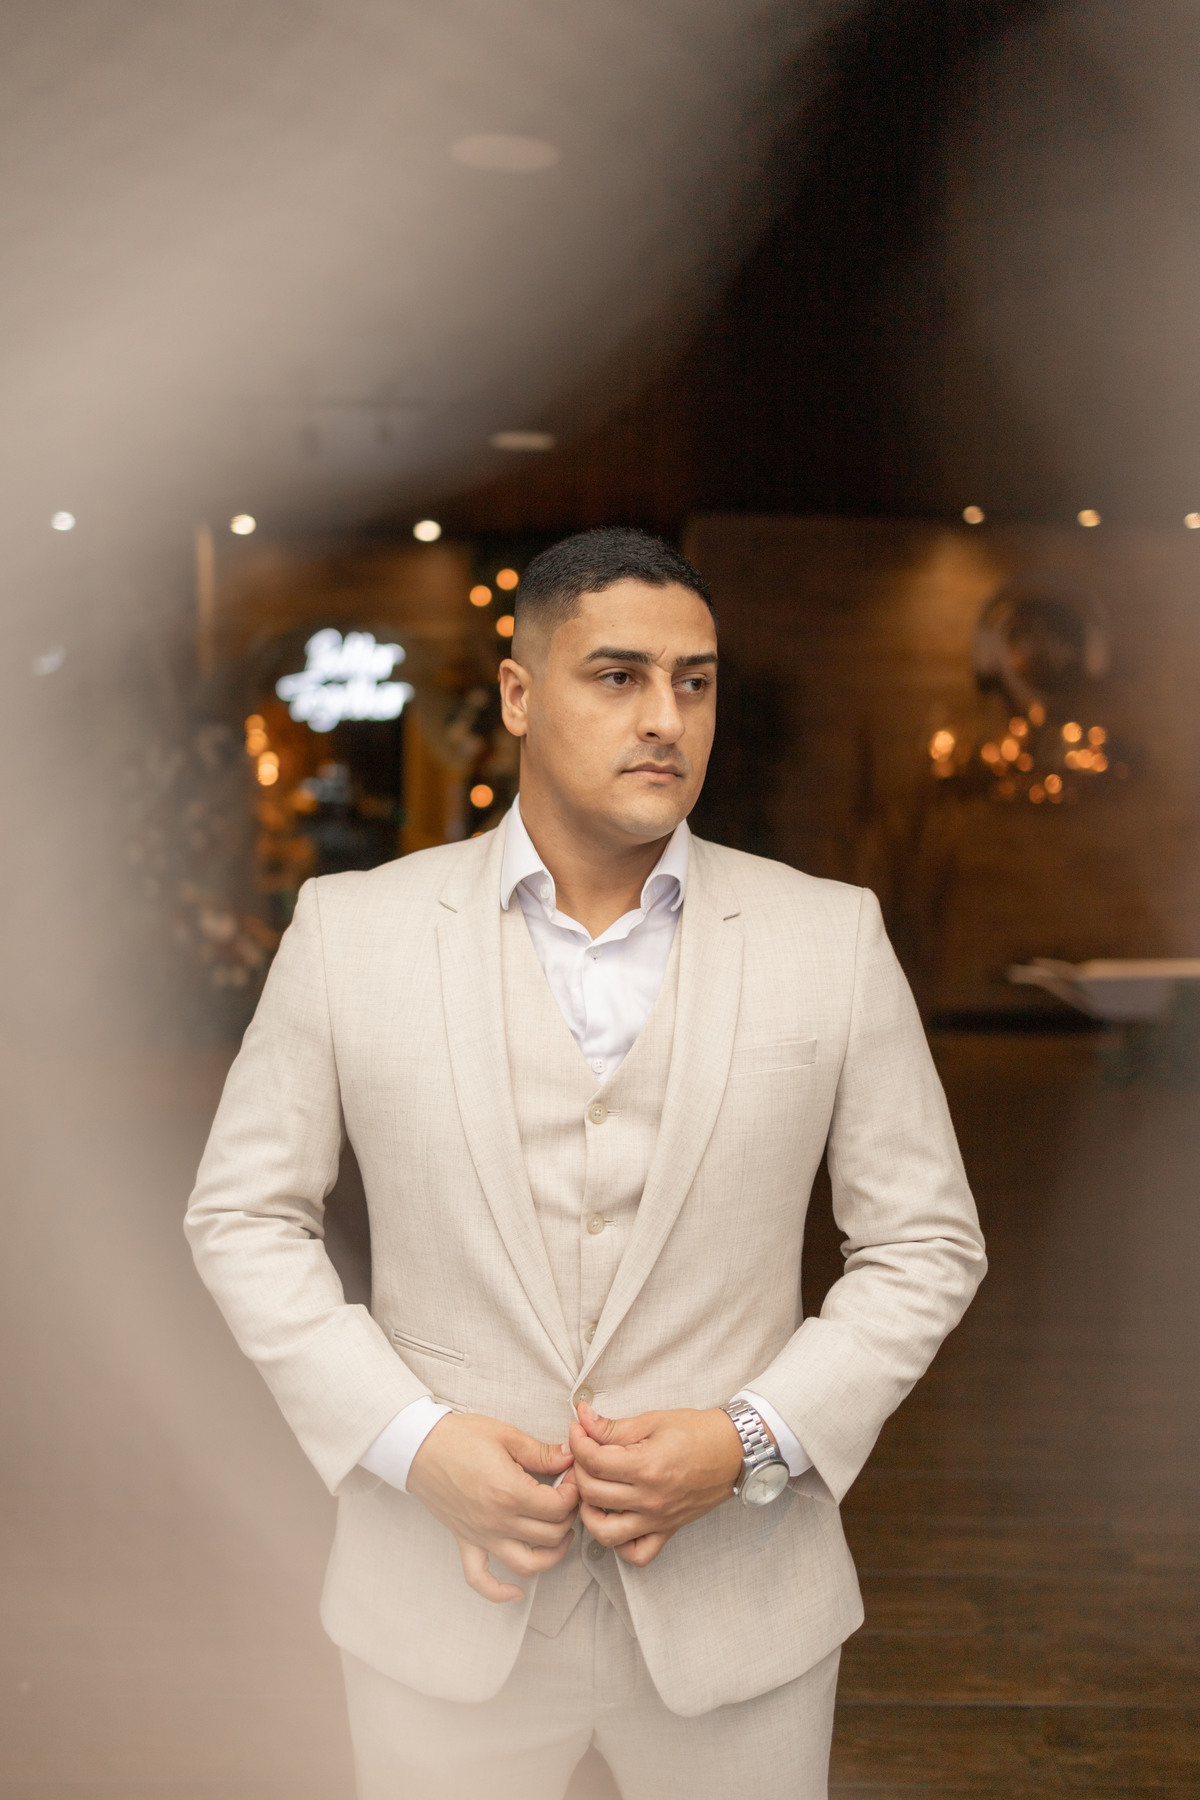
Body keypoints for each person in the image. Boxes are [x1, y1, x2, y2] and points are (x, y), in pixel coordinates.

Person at [185, 527, 985, 1800]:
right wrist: (411, 1441)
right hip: (440, 1605)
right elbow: (243, 1216)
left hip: (741, 1608)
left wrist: (751, 1439)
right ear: (518, 694)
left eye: (694, 681)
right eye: (618, 676)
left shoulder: (830, 937)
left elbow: (925, 1244)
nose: (666, 717)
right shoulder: (351, 932)